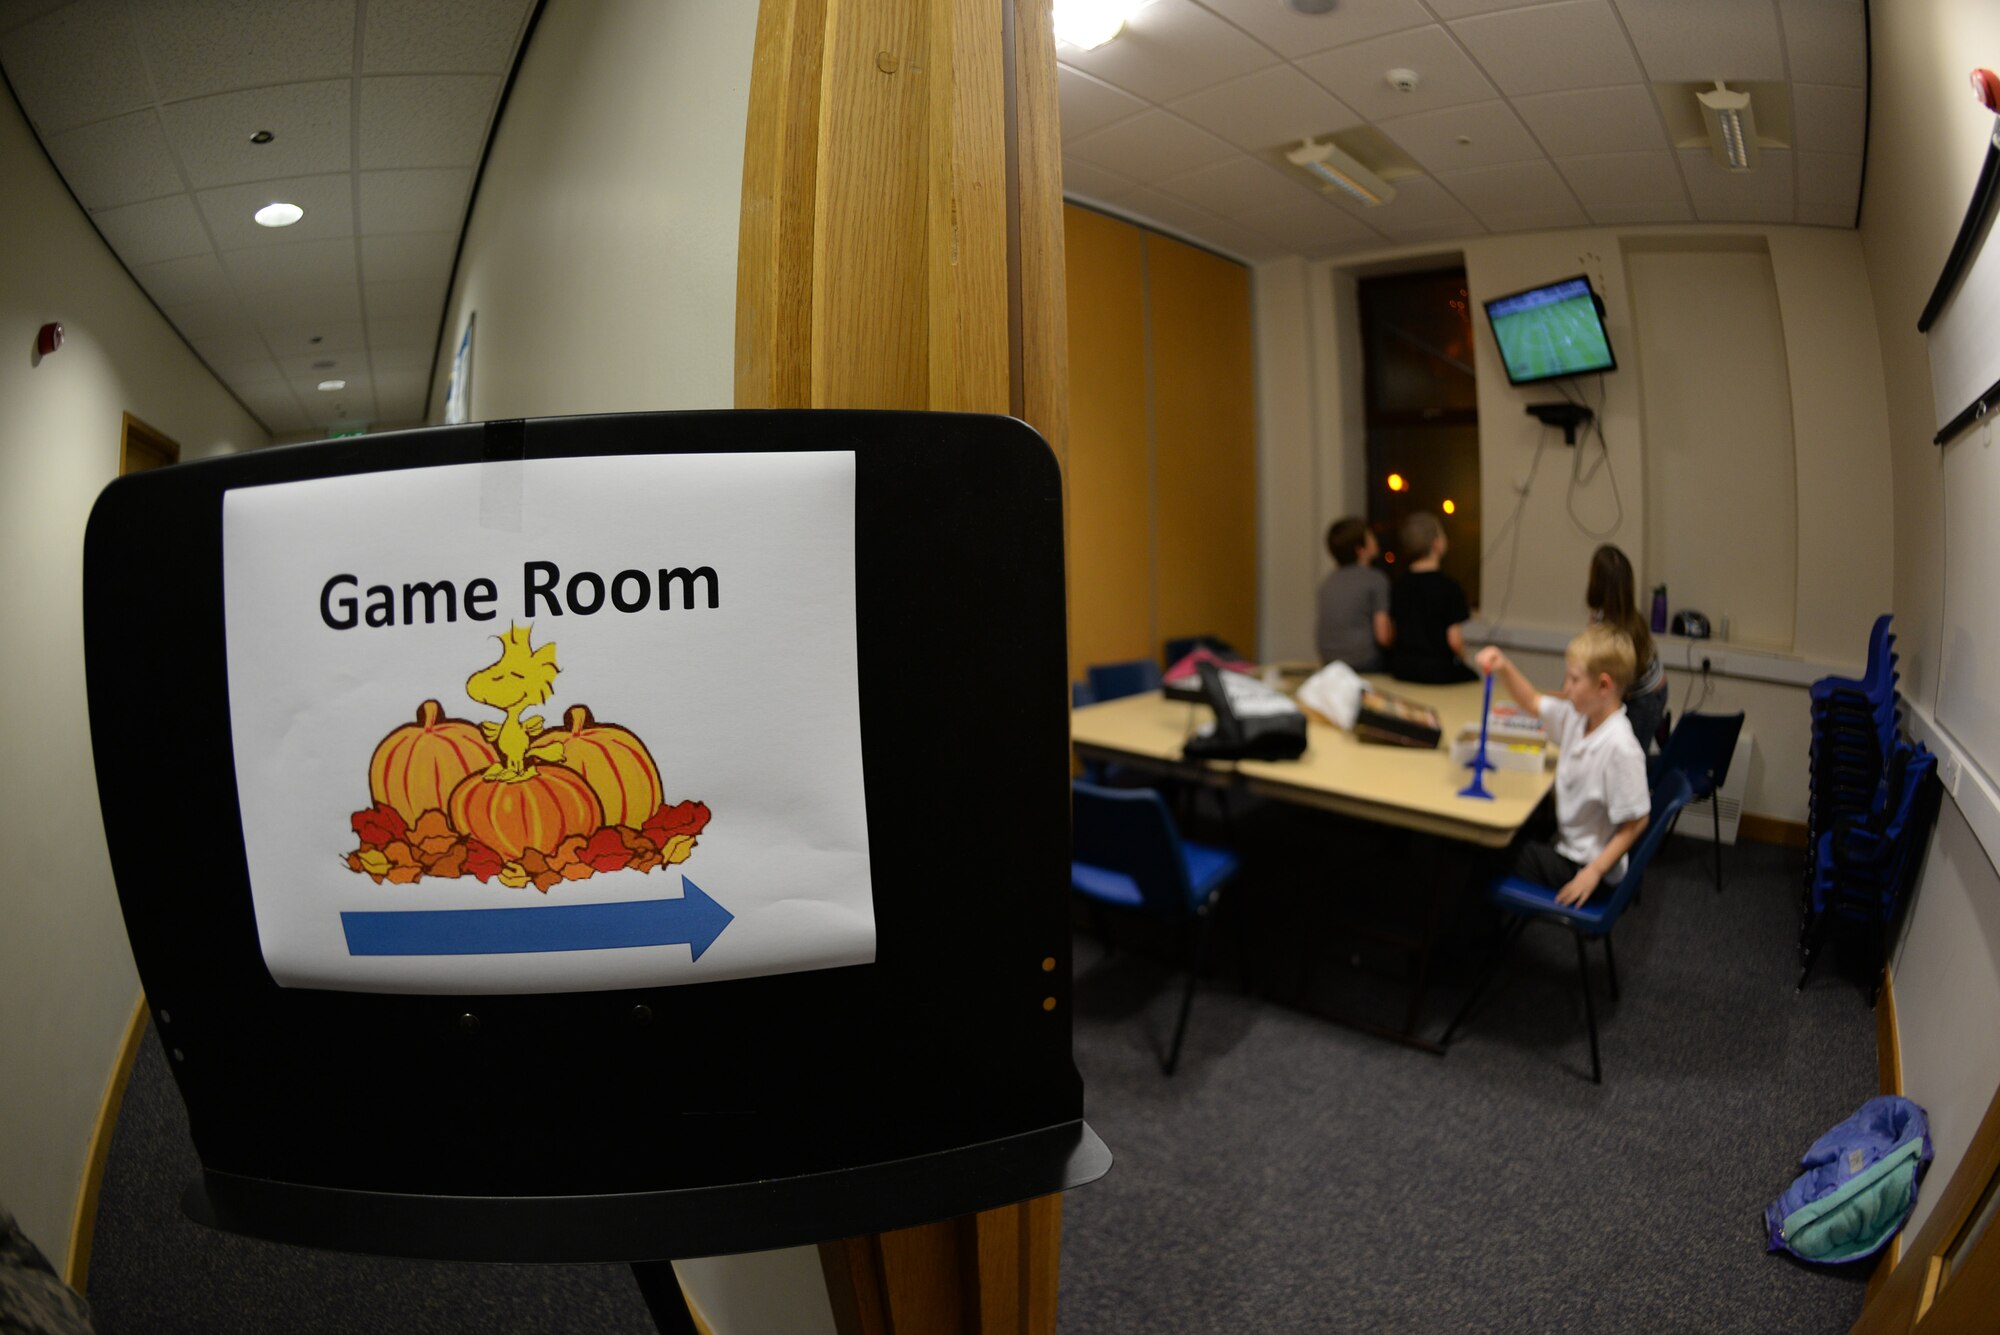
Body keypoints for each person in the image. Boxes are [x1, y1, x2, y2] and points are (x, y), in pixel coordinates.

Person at [1475, 627, 1650, 907]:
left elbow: (1638, 820)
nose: (1565, 687)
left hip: (1584, 867)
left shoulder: (1621, 747)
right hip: (1566, 843)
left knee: (1482, 854)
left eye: (1574, 679)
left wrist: (1594, 872)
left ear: (1603, 686)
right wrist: (1504, 667)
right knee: (1502, 837)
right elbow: (1533, 702)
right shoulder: (1578, 716)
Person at [1586, 544, 1668, 752]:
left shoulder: (1610, 628)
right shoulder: (1630, 615)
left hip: (1642, 700)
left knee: (1629, 757)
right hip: (1656, 691)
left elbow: (1604, 679)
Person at [1388, 511, 1477, 683]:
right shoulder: (1449, 586)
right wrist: (1464, 659)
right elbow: (1454, 640)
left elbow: (1393, 631)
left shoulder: (1399, 585)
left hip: (1402, 669)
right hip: (1437, 670)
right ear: (1436, 544)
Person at [1315, 517, 1392, 670]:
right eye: (1370, 537)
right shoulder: (1375, 579)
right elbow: (1383, 636)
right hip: (1364, 662)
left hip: (1330, 662)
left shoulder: (1328, 582)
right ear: (1360, 550)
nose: (1376, 540)